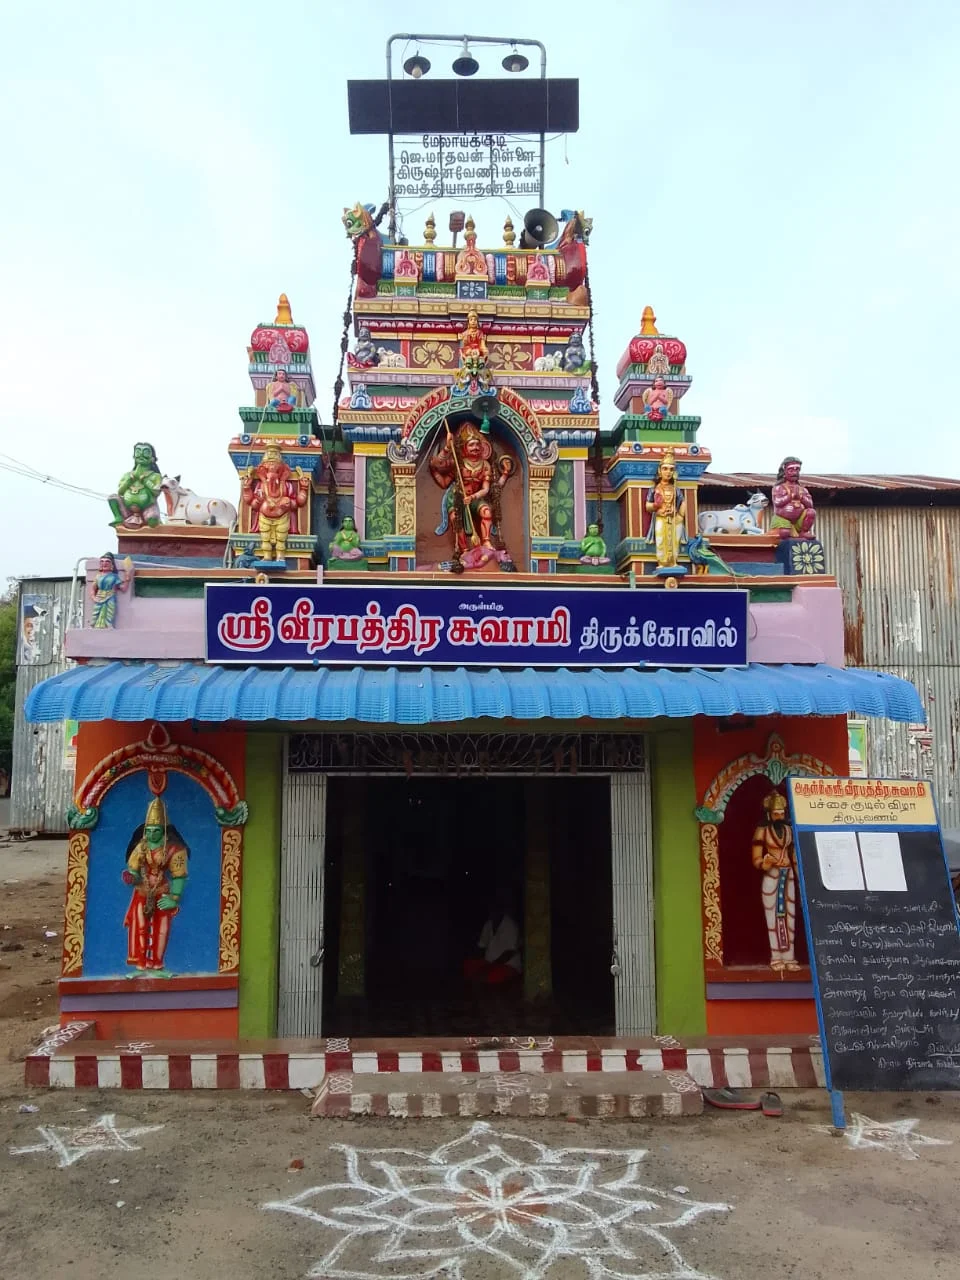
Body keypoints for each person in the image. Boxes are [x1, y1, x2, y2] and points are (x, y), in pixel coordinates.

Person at [122, 796, 188, 976]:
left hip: (162, 892)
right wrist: (132, 876)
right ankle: (141, 964)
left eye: (156, 831)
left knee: (162, 929)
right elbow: (133, 868)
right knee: (140, 928)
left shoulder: (174, 850)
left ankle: (157, 964)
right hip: (142, 891)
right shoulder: (141, 847)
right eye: (149, 831)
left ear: (164, 831)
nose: (152, 834)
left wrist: (174, 898)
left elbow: (179, 876)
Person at [751, 791, 800, 972]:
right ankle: (776, 957)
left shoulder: (789, 830)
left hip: (788, 876)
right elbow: (756, 858)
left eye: (781, 813)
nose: (779, 816)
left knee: (790, 916)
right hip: (771, 876)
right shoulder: (762, 830)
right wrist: (764, 862)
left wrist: (799, 876)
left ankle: (789, 957)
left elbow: (794, 855)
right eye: (776, 814)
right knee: (772, 917)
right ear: (769, 814)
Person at [464, 898, 522, 985]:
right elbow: (481, 947)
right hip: (489, 964)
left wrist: (488, 967)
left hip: (508, 965)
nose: (492, 912)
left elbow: (510, 953)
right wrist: (473, 957)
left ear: (501, 910)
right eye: (490, 909)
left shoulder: (510, 925)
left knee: (492, 975)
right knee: (468, 965)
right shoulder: (488, 924)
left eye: (495, 909)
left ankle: (483, 983)